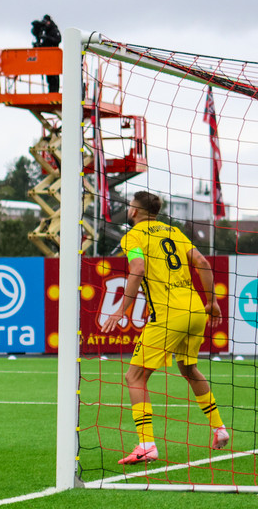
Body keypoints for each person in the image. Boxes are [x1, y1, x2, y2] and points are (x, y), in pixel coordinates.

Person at [101, 191, 228, 465]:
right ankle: (219, 428)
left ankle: (146, 445)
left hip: (169, 313)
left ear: (134, 211)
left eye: (130, 206)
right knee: (189, 369)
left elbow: (137, 268)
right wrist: (212, 302)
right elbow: (202, 262)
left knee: (134, 376)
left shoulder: (133, 236)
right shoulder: (174, 232)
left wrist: (121, 310)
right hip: (195, 309)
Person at [30, 14, 61, 93]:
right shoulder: (45, 31)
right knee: (49, 76)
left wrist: (47, 38)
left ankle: (54, 92)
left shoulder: (54, 30)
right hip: (47, 57)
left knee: (54, 77)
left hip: (53, 56)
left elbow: (58, 40)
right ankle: (51, 92)